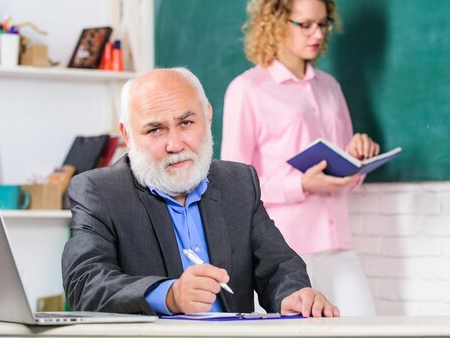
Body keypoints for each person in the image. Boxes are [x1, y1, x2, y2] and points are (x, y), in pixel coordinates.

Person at [62, 67, 339, 317]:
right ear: (127, 135)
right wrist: (169, 296)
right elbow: (85, 283)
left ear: (207, 115)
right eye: (155, 130)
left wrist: (294, 295)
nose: (175, 144)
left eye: (186, 123)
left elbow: (279, 264)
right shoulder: (98, 191)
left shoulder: (239, 181)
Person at [221, 0, 379, 316]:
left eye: (322, 24)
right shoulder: (248, 89)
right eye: (305, 24)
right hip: (284, 254)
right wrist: (300, 184)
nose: (318, 34)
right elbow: (232, 187)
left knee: (367, 329)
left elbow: (343, 179)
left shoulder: (330, 87)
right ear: (277, 23)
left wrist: (356, 160)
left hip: (338, 245)